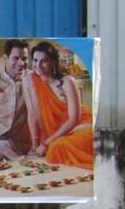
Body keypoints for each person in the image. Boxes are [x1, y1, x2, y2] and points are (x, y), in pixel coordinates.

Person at [23, 40, 94, 169]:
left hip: (80, 127)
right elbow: (32, 114)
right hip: (58, 134)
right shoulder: (30, 82)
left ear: (53, 62)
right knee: (56, 148)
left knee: (64, 145)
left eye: (43, 61)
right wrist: (35, 145)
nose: (38, 65)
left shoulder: (66, 82)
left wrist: (45, 143)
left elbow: (74, 119)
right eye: (35, 60)